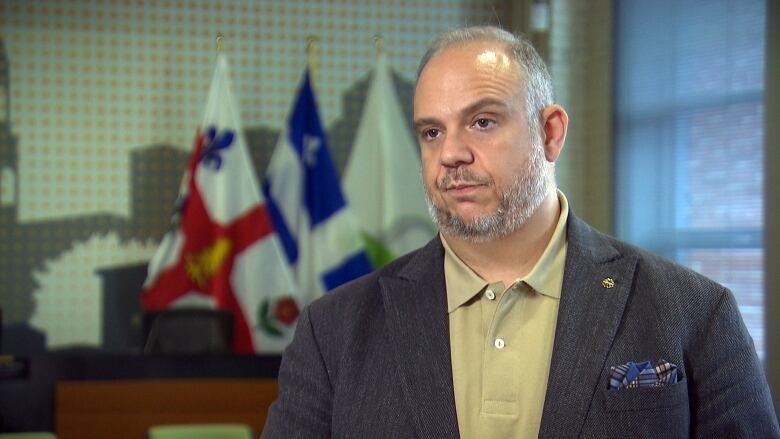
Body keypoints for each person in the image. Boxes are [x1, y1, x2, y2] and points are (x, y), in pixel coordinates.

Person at [262, 25, 779, 438]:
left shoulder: (695, 312)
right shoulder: (331, 331)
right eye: (432, 131)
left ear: (550, 132)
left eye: (482, 121)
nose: (450, 153)